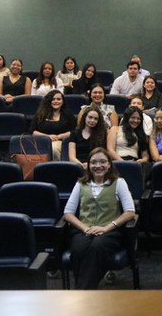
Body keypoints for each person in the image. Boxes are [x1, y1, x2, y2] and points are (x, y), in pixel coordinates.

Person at [62, 147, 136, 289]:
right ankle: (87, 292)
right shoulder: (80, 183)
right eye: (94, 162)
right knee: (79, 248)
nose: (98, 166)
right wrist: (85, 229)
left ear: (109, 165)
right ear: (88, 165)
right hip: (84, 229)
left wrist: (106, 228)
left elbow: (130, 212)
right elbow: (68, 213)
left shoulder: (119, 183)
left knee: (97, 246)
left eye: (102, 162)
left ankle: (82, 292)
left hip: (110, 230)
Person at [30, 89, 77, 160]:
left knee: (54, 148)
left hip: (61, 142)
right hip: (42, 141)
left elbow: (75, 130)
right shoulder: (40, 114)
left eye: (59, 99)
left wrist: (61, 136)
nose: (56, 101)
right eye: (53, 99)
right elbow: (32, 131)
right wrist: (47, 136)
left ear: (62, 101)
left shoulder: (67, 114)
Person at [69, 105, 107, 169]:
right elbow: (71, 157)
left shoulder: (102, 134)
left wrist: (90, 165)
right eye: (90, 117)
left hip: (96, 166)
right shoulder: (74, 133)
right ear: (85, 117)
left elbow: (102, 155)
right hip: (77, 165)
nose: (92, 121)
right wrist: (82, 166)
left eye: (95, 119)